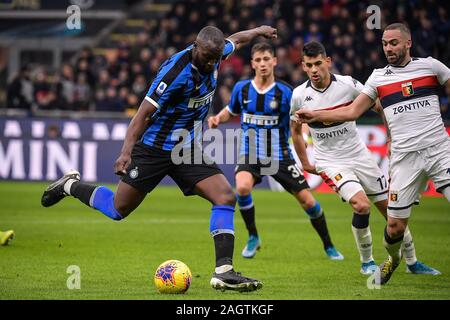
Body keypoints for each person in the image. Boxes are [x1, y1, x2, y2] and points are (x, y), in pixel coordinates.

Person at [41, 25, 278, 292]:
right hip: (153, 148)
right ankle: (69, 185)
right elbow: (142, 115)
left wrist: (259, 30)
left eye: (216, 58)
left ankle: (224, 272)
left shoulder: (217, 51)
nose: (212, 62)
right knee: (118, 210)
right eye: (207, 57)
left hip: (185, 149)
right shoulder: (174, 72)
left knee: (224, 196)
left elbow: (237, 39)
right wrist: (126, 152)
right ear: (196, 47)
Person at [296, 23, 450, 285]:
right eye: (384, 43)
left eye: (318, 64)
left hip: (372, 156)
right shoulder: (300, 95)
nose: (313, 70)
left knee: (388, 214)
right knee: (368, 209)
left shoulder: (350, 83)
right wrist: (306, 160)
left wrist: (389, 136)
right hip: (336, 161)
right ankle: (370, 260)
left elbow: (373, 109)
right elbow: (302, 128)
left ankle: (411, 262)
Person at [208, 42, 344, 261]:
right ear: (252, 64)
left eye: (266, 59)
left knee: (308, 202)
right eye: (258, 60)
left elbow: (300, 121)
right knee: (242, 188)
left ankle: (328, 245)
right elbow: (230, 111)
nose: (262, 64)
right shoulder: (242, 89)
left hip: (279, 155)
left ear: (274, 61)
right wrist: (217, 119)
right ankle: (253, 237)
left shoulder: (285, 93)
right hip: (250, 152)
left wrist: (307, 137)